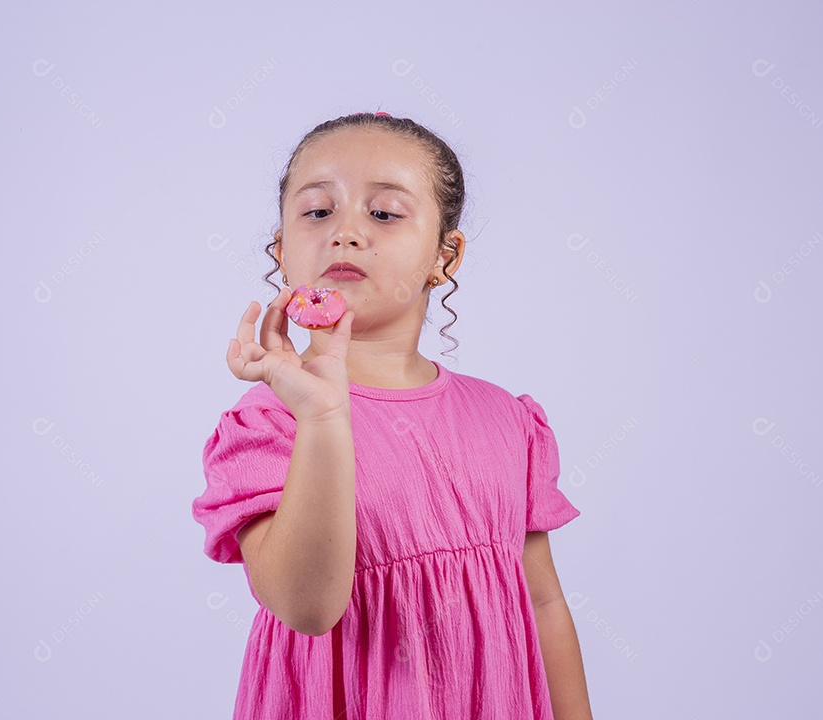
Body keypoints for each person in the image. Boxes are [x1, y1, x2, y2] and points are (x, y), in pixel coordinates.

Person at [192, 111, 593, 719]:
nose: (345, 233)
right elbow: (306, 606)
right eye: (317, 211)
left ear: (445, 255)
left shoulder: (507, 420)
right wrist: (324, 416)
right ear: (281, 248)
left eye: (383, 213)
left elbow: (542, 604)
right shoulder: (270, 425)